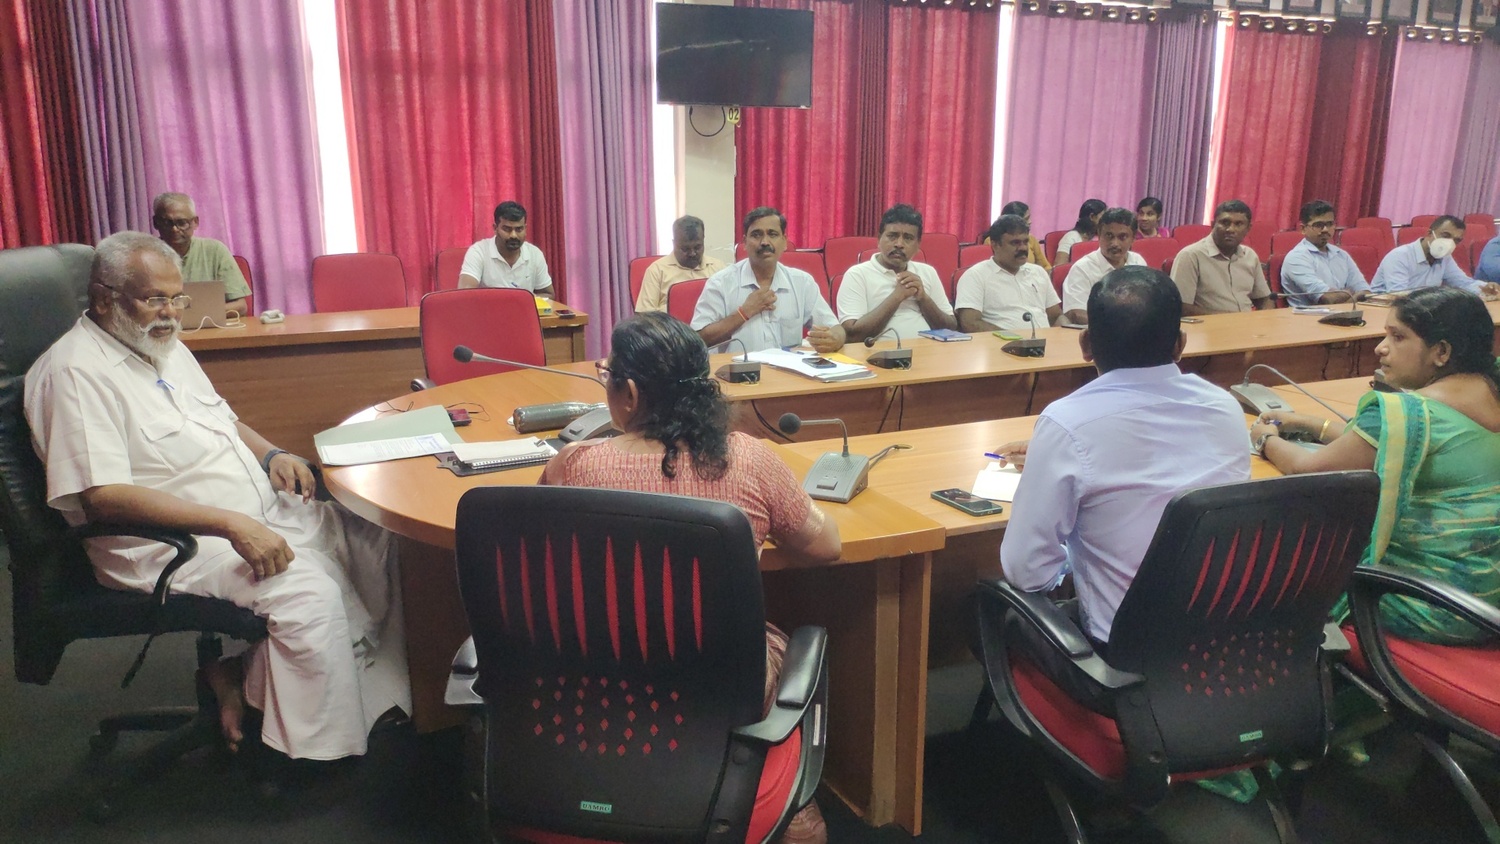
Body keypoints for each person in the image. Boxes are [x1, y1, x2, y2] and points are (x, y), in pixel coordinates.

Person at [24, 231, 409, 762]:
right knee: (308, 593)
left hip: (251, 513)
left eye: (177, 298)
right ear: (105, 298)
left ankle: (271, 685)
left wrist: (272, 455)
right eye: (155, 299)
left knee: (384, 542)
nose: (170, 314)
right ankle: (309, 753)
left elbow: (223, 420)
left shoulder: (159, 344)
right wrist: (231, 524)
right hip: (168, 545)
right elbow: (102, 497)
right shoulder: (74, 373)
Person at [539, 312, 838, 844]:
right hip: (725, 684)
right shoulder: (750, 461)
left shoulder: (575, 465)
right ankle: (787, 797)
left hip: (602, 681)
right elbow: (826, 545)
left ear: (629, 393)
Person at [993, 266, 1248, 704]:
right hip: (1224, 645)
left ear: (1085, 345)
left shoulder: (1067, 423)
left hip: (1123, 666)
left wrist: (1073, 556)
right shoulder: (1224, 408)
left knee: (990, 613)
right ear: (1180, 344)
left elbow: (1026, 572)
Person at [1250, 286, 1500, 645]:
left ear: (1441, 352)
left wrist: (1266, 439)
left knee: (1284, 560)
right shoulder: (1488, 389)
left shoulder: (1410, 411)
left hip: (1431, 603)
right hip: (1489, 597)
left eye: (1397, 337)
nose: (1380, 348)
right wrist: (1311, 424)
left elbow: (1306, 469)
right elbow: (1388, 443)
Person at [691, 207, 846, 354]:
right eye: (756, 235)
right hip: (738, 370)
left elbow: (837, 329)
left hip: (788, 370)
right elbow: (698, 340)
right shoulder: (721, 283)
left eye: (772, 234)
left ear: (784, 241)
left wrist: (835, 339)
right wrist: (743, 313)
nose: (765, 242)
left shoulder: (802, 282)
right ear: (745, 243)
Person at [837, 203, 956, 342]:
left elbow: (951, 328)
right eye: (892, 236)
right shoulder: (857, 275)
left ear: (918, 244)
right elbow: (852, 335)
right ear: (879, 239)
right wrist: (897, 296)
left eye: (908, 238)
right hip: (879, 353)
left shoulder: (927, 272)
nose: (899, 244)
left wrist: (923, 299)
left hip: (929, 350)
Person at [954, 214, 1060, 332]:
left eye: (1025, 242)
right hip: (1002, 342)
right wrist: (1013, 338)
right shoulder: (975, 276)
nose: (1023, 248)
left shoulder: (1038, 272)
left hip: (1046, 340)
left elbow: (1056, 316)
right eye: (1015, 243)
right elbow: (970, 323)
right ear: (995, 245)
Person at [150, 192, 251, 314]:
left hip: (208, 324)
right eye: (167, 223)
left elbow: (241, 306)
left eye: (182, 223)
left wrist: (197, 314)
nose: (174, 229)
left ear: (195, 222)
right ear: (155, 223)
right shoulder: (145, 256)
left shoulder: (215, 251)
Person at [1170, 199, 1273, 314]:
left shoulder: (1250, 256)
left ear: (1248, 228)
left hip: (1247, 323)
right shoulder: (1191, 256)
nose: (1230, 229)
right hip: (1210, 324)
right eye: (1225, 223)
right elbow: (1181, 307)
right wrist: (1229, 319)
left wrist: (1266, 317)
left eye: (1238, 224)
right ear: (1213, 225)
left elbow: (1264, 298)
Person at [1370, 215, 1500, 298]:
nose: (1450, 243)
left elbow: (1463, 283)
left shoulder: (1445, 258)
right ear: (1429, 234)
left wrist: (1484, 288)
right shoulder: (1399, 256)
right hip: (1384, 312)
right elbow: (1399, 295)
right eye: (1445, 236)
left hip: (1419, 312)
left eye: (1456, 240)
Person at [1060, 207, 1147, 325]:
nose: (1115, 243)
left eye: (1122, 237)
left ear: (1133, 238)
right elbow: (1076, 313)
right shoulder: (1082, 268)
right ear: (1099, 235)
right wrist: (1117, 326)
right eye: (1109, 236)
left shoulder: (1138, 262)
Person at [1281, 200, 1370, 307]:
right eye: (1318, 225)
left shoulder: (1341, 255)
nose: (1325, 229)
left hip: (1346, 313)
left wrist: (1347, 295)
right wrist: (1352, 293)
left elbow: (1365, 292)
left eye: (1330, 224)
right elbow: (1328, 299)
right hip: (1308, 316)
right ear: (1303, 229)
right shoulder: (1296, 258)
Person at [459, 201, 554, 296]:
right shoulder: (479, 252)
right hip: (489, 306)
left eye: (519, 229)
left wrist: (525, 301)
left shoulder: (535, 254)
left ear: (525, 229)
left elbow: (548, 294)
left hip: (523, 306)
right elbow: (465, 294)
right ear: (495, 228)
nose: (513, 235)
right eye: (507, 229)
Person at [634, 215, 726, 313]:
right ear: (674, 244)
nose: (692, 253)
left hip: (712, 322)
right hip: (672, 322)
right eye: (685, 249)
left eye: (697, 247)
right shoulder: (657, 271)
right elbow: (644, 314)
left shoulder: (718, 268)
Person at [995, 200, 1052, 270]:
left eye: (1025, 242)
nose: (1030, 222)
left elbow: (1046, 266)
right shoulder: (995, 240)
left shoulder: (1031, 238)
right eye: (1026, 219)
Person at [1054, 198, 1107, 264]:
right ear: (1092, 217)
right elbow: (1059, 266)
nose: (1105, 221)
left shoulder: (1101, 238)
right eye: (1103, 217)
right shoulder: (1071, 237)